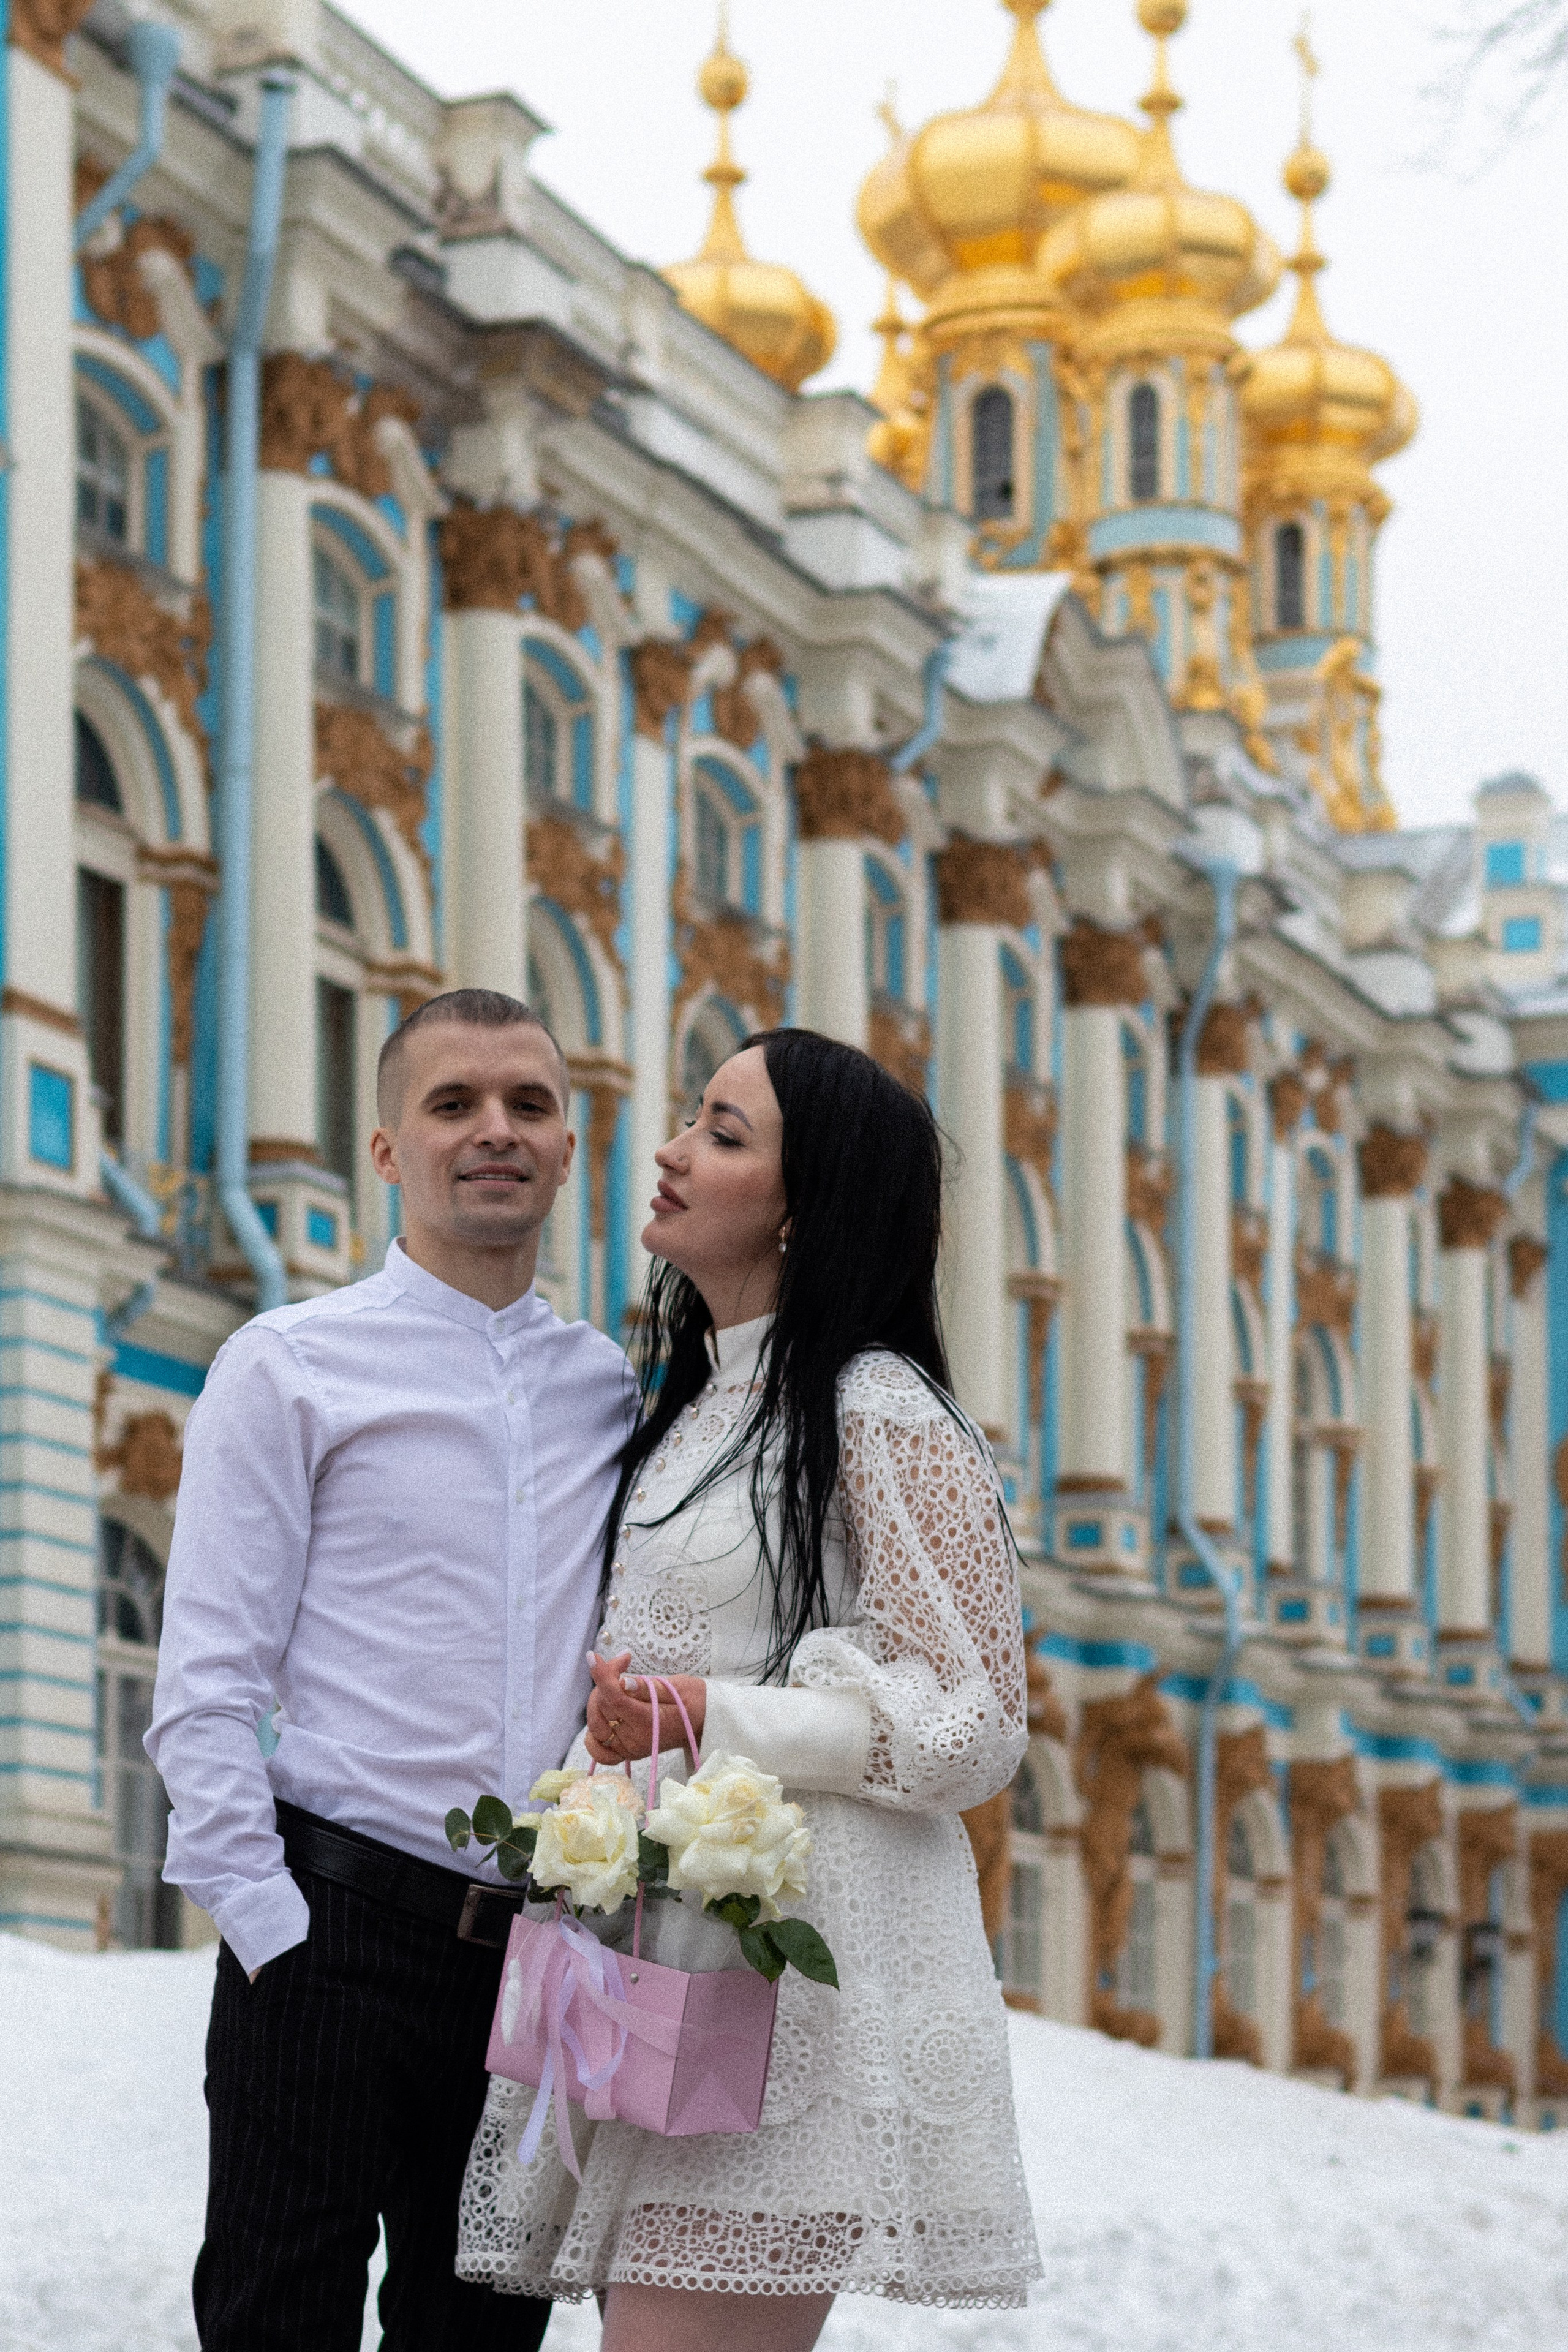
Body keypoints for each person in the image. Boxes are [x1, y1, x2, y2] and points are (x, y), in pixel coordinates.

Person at [456, 1027, 1042, 2347]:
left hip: (793, 2010)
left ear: (804, 1206)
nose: (669, 1151)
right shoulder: (693, 1409)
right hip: (661, 1978)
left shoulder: (877, 1407)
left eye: (723, 1134)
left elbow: (972, 1723)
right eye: (690, 1119)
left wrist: (704, 1715)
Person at [148, 987, 636, 2351]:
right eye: (453, 1104)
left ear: (567, 1145)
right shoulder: (290, 1366)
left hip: (534, 1964)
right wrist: (270, 1932)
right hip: (331, 1931)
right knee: (273, 2324)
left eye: (528, 1104)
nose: (496, 1131)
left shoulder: (605, 1387)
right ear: (386, 1150)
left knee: (481, 2339)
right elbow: (205, 1679)